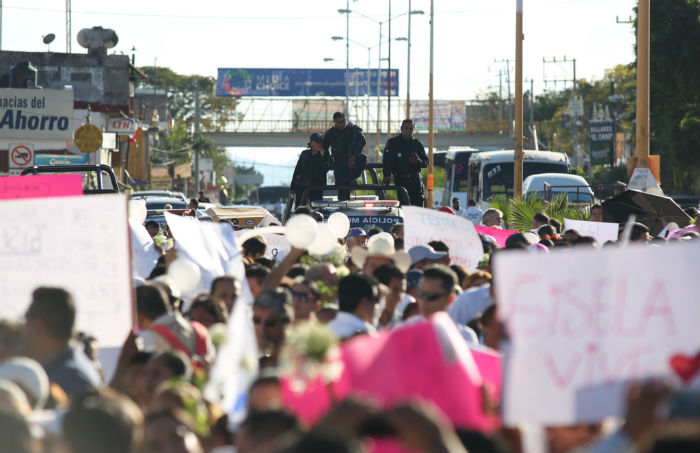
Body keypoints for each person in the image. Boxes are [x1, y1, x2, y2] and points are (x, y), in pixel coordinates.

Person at [22, 287, 102, 399]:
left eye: (25, 321)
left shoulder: (70, 380)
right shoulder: (67, 371)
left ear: (38, 327)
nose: (22, 330)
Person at [382, 119, 429, 206]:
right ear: (401, 128)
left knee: (417, 209)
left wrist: (417, 161)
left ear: (413, 130)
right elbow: (387, 161)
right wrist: (387, 175)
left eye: (411, 129)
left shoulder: (417, 144)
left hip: (415, 181)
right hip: (401, 180)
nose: (408, 131)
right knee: (405, 208)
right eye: (406, 128)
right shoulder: (393, 143)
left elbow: (426, 163)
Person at [323, 112, 367, 201]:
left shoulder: (353, 130)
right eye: (339, 122)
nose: (343, 124)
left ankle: (353, 178)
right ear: (335, 122)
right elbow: (324, 147)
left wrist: (354, 155)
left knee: (363, 157)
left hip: (353, 160)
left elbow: (362, 141)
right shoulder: (331, 133)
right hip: (339, 163)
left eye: (344, 121)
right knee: (342, 191)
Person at [327, 273, 379, 340]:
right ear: (364, 302)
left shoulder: (326, 329)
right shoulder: (367, 333)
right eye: (375, 300)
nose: (376, 305)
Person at [290, 133, 331, 208]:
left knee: (316, 210)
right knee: (299, 209)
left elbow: (326, 169)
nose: (319, 145)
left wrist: (322, 157)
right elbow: (297, 170)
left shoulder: (325, 154)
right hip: (302, 187)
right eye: (317, 142)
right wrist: (292, 187)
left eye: (320, 143)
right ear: (311, 143)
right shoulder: (304, 154)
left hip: (316, 188)